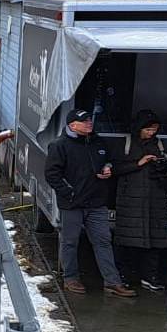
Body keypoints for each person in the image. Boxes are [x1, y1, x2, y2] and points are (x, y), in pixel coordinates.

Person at [45, 109, 136, 297]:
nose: (89, 123)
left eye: (89, 120)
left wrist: (108, 168)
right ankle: (70, 278)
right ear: (72, 125)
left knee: (103, 241)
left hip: (96, 202)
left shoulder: (97, 142)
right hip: (72, 204)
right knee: (70, 242)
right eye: (84, 121)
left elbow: (109, 160)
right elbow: (52, 174)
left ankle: (112, 282)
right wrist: (69, 193)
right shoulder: (59, 145)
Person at [113, 110, 167, 291]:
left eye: (154, 129)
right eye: (148, 129)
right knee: (127, 240)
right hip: (130, 199)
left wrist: (162, 165)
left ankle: (150, 276)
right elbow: (115, 168)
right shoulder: (127, 143)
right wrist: (139, 163)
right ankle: (123, 275)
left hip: (154, 199)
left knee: (154, 240)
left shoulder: (159, 144)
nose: (151, 133)